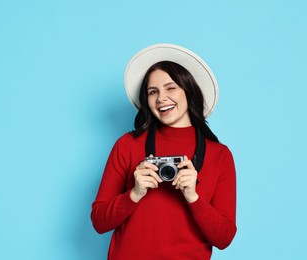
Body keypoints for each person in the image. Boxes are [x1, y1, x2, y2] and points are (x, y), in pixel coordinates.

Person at [91, 44, 237, 260]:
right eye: (153, 92)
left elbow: (224, 238)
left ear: (189, 89)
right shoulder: (128, 145)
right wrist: (134, 194)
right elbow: (99, 222)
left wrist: (193, 197)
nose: (161, 99)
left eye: (171, 88)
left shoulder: (219, 155)